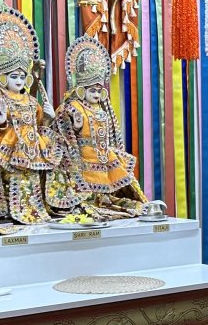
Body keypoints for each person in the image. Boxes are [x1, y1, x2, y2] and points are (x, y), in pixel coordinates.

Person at [0, 6, 61, 225]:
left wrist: (49, 118)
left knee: (32, 179)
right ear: (4, 78)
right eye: (14, 76)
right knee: (10, 177)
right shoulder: (0, 97)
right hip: (11, 145)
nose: (20, 81)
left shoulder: (32, 101)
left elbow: (40, 123)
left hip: (32, 146)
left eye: (23, 77)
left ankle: (34, 209)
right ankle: (5, 210)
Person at [53, 34, 147, 219]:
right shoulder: (73, 107)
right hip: (84, 156)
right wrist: (76, 126)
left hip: (103, 155)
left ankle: (104, 199)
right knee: (89, 186)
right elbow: (62, 126)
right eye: (92, 90)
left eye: (98, 90)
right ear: (81, 90)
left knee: (108, 185)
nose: (96, 94)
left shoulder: (103, 109)